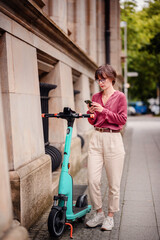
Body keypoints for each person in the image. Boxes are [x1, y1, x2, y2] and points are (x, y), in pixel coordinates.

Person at [86, 64, 127, 231]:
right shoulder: (95, 96)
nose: (100, 82)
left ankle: (110, 216)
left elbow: (122, 120)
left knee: (113, 183)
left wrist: (103, 111)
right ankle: (99, 213)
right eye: (98, 80)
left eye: (103, 79)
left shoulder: (120, 97)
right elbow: (93, 121)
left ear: (111, 78)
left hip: (113, 140)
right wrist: (91, 114)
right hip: (96, 138)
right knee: (92, 180)